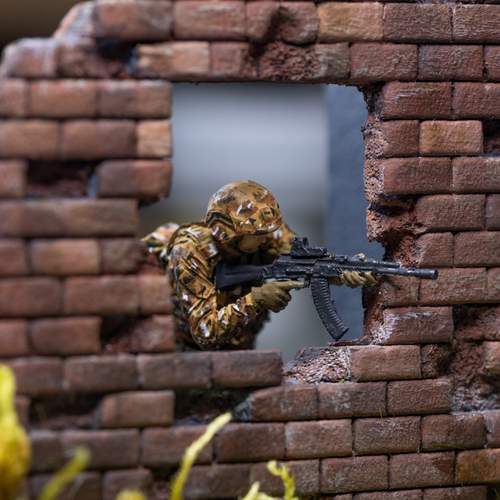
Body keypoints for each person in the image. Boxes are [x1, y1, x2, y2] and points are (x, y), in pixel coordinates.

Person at [144, 180, 376, 350]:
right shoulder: (190, 250)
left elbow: (306, 262)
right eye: (256, 234)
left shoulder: (269, 234)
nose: (268, 237)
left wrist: (340, 272)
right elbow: (205, 332)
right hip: (178, 348)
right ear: (229, 233)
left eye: (269, 230)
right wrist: (256, 300)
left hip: (238, 352)